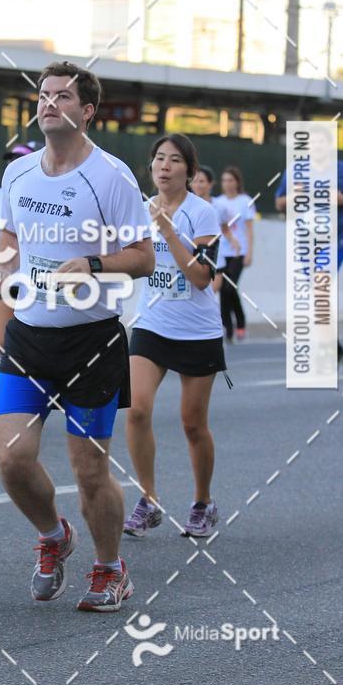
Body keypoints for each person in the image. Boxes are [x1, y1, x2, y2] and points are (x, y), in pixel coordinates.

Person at [0, 61, 154, 612]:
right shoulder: (18, 174)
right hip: (30, 337)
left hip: (92, 342)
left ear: (87, 111)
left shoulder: (111, 176)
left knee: (89, 470)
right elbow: (10, 236)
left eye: (63, 95)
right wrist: (3, 278)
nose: (49, 102)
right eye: (43, 94)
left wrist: (92, 262)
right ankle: (55, 537)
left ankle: (110, 568)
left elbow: (143, 257)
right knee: (12, 461)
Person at [124, 134, 226, 539]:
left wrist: (167, 232)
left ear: (189, 171)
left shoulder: (202, 215)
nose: (165, 166)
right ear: (151, 168)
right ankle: (148, 500)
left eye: (174, 160)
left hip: (197, 331)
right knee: (135, 409)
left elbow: (203, 278)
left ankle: (203, 502)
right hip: (151, 324)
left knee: (192, 424)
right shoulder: (136, 210)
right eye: (159, 159)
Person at [275, 135, 343, 362]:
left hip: (333, 240)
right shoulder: (296, 170)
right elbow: (278, 203)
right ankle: (332, 345)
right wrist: (293, 197)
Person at [0, 141, 44, 348]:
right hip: (4, 272)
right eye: (11, 159)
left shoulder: (45, 195)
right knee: (1, 341)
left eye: (20, 159)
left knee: (30, 340)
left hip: (33, 276)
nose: (13, 163)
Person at [217, 166, 256, 342]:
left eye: (230, 180)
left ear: (237, 182)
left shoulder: (245, 200)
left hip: (238, 252)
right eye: (224, 180)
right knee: (224, 291)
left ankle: (240, 322)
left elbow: (249, 229)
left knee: (228, 287)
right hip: (221, 252)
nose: (227, 184)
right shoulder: (218, 202)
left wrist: (249, 252)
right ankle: (228, 328)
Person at [191, 165, 240, 293]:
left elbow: (225, 228)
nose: (197, 185)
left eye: (201, 181)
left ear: (210, 184)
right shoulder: (186, 205)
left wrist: (233, 241)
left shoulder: (219, 207)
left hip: (214, 256)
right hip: (191, 256)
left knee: (211, 294)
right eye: (194, 181)